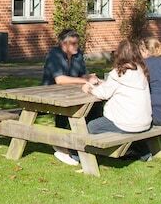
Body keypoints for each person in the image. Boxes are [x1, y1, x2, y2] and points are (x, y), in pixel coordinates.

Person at [42, 29, 100, 166]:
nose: (76, 46)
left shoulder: (78, 55)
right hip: (51, 95)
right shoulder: (54, 55)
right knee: (69, 109)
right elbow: (60, 80)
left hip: (73, 94)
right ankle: (63, 143)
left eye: (77, 43)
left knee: (96, 104)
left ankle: (90, 139)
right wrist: (84, 80)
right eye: (73, 43)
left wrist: (91, 78)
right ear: (64, 44)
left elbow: (82, 74)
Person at [81, 39, 152, 135]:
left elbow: (103, 94)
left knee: (91, 126)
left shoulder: (119, 73)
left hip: (125, 123)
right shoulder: (141, 71)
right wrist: (104, 83)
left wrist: (89, 88)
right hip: (144, 122)